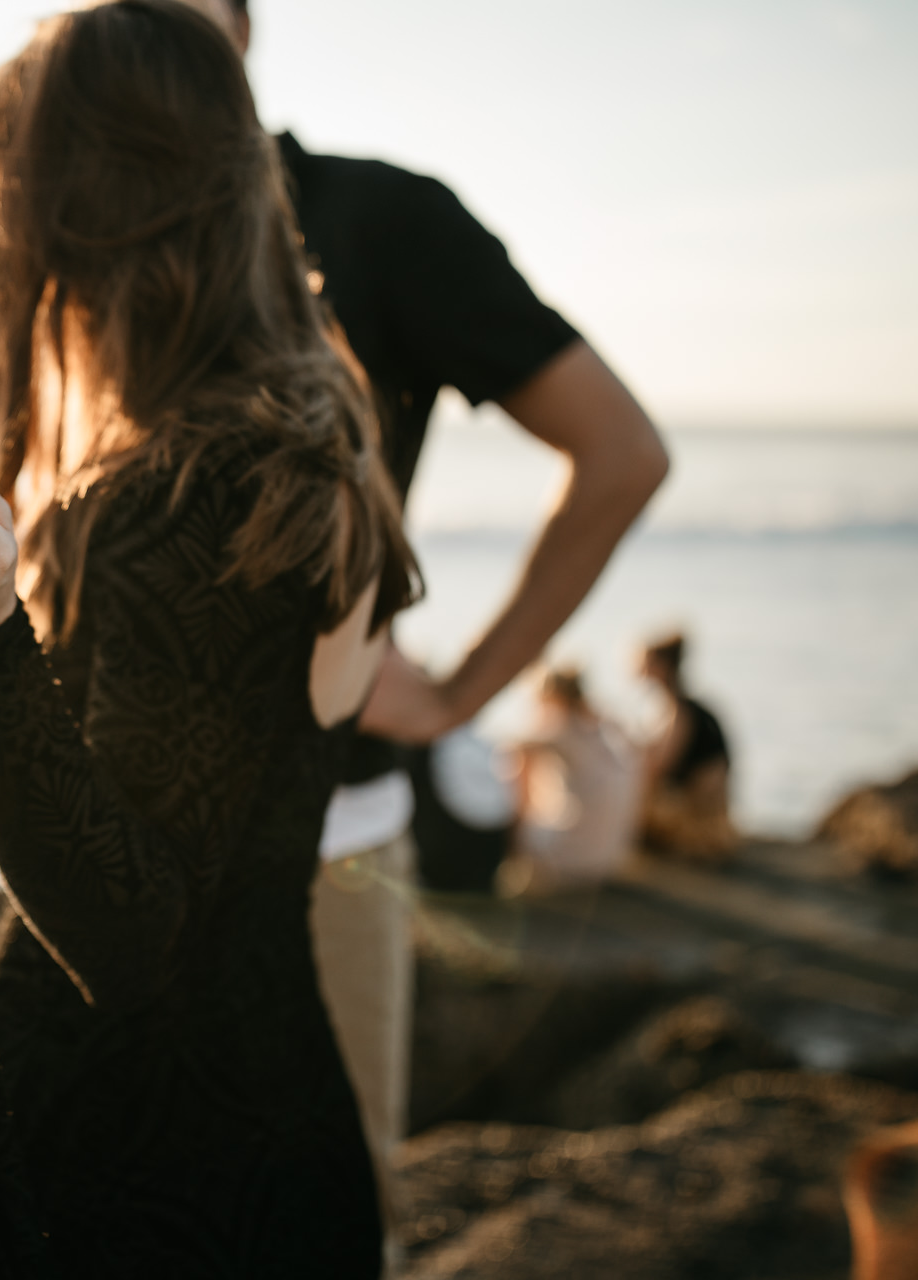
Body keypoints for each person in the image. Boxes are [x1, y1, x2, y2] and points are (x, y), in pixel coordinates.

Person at [0, 2, 418, 1272]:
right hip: (281, 1139)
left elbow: (131, 939)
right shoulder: (321, 434)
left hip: (140, 1186)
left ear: (70, 215)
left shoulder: (191, 490)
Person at [178, 0, 672, 1232]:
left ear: (241, 25)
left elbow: (621, 454)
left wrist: (458, 694)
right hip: (95, 839)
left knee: (327, 1227)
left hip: (325, 835)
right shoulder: (54, 230)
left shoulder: (377, 220)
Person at [501, 665, 640, 895]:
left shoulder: (560, 726)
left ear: (551, 698)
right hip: (609, 858)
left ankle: (512, 853)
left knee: (520, 766)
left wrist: (518, 817)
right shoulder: (603, 729)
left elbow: (512, 748)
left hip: (570, 858)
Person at [638, 631, 737, 861]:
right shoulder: (681, 708)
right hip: (709, 815)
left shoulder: (680, 713)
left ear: (662, 667)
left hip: (700, 822)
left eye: (647, 662)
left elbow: (657, 770)